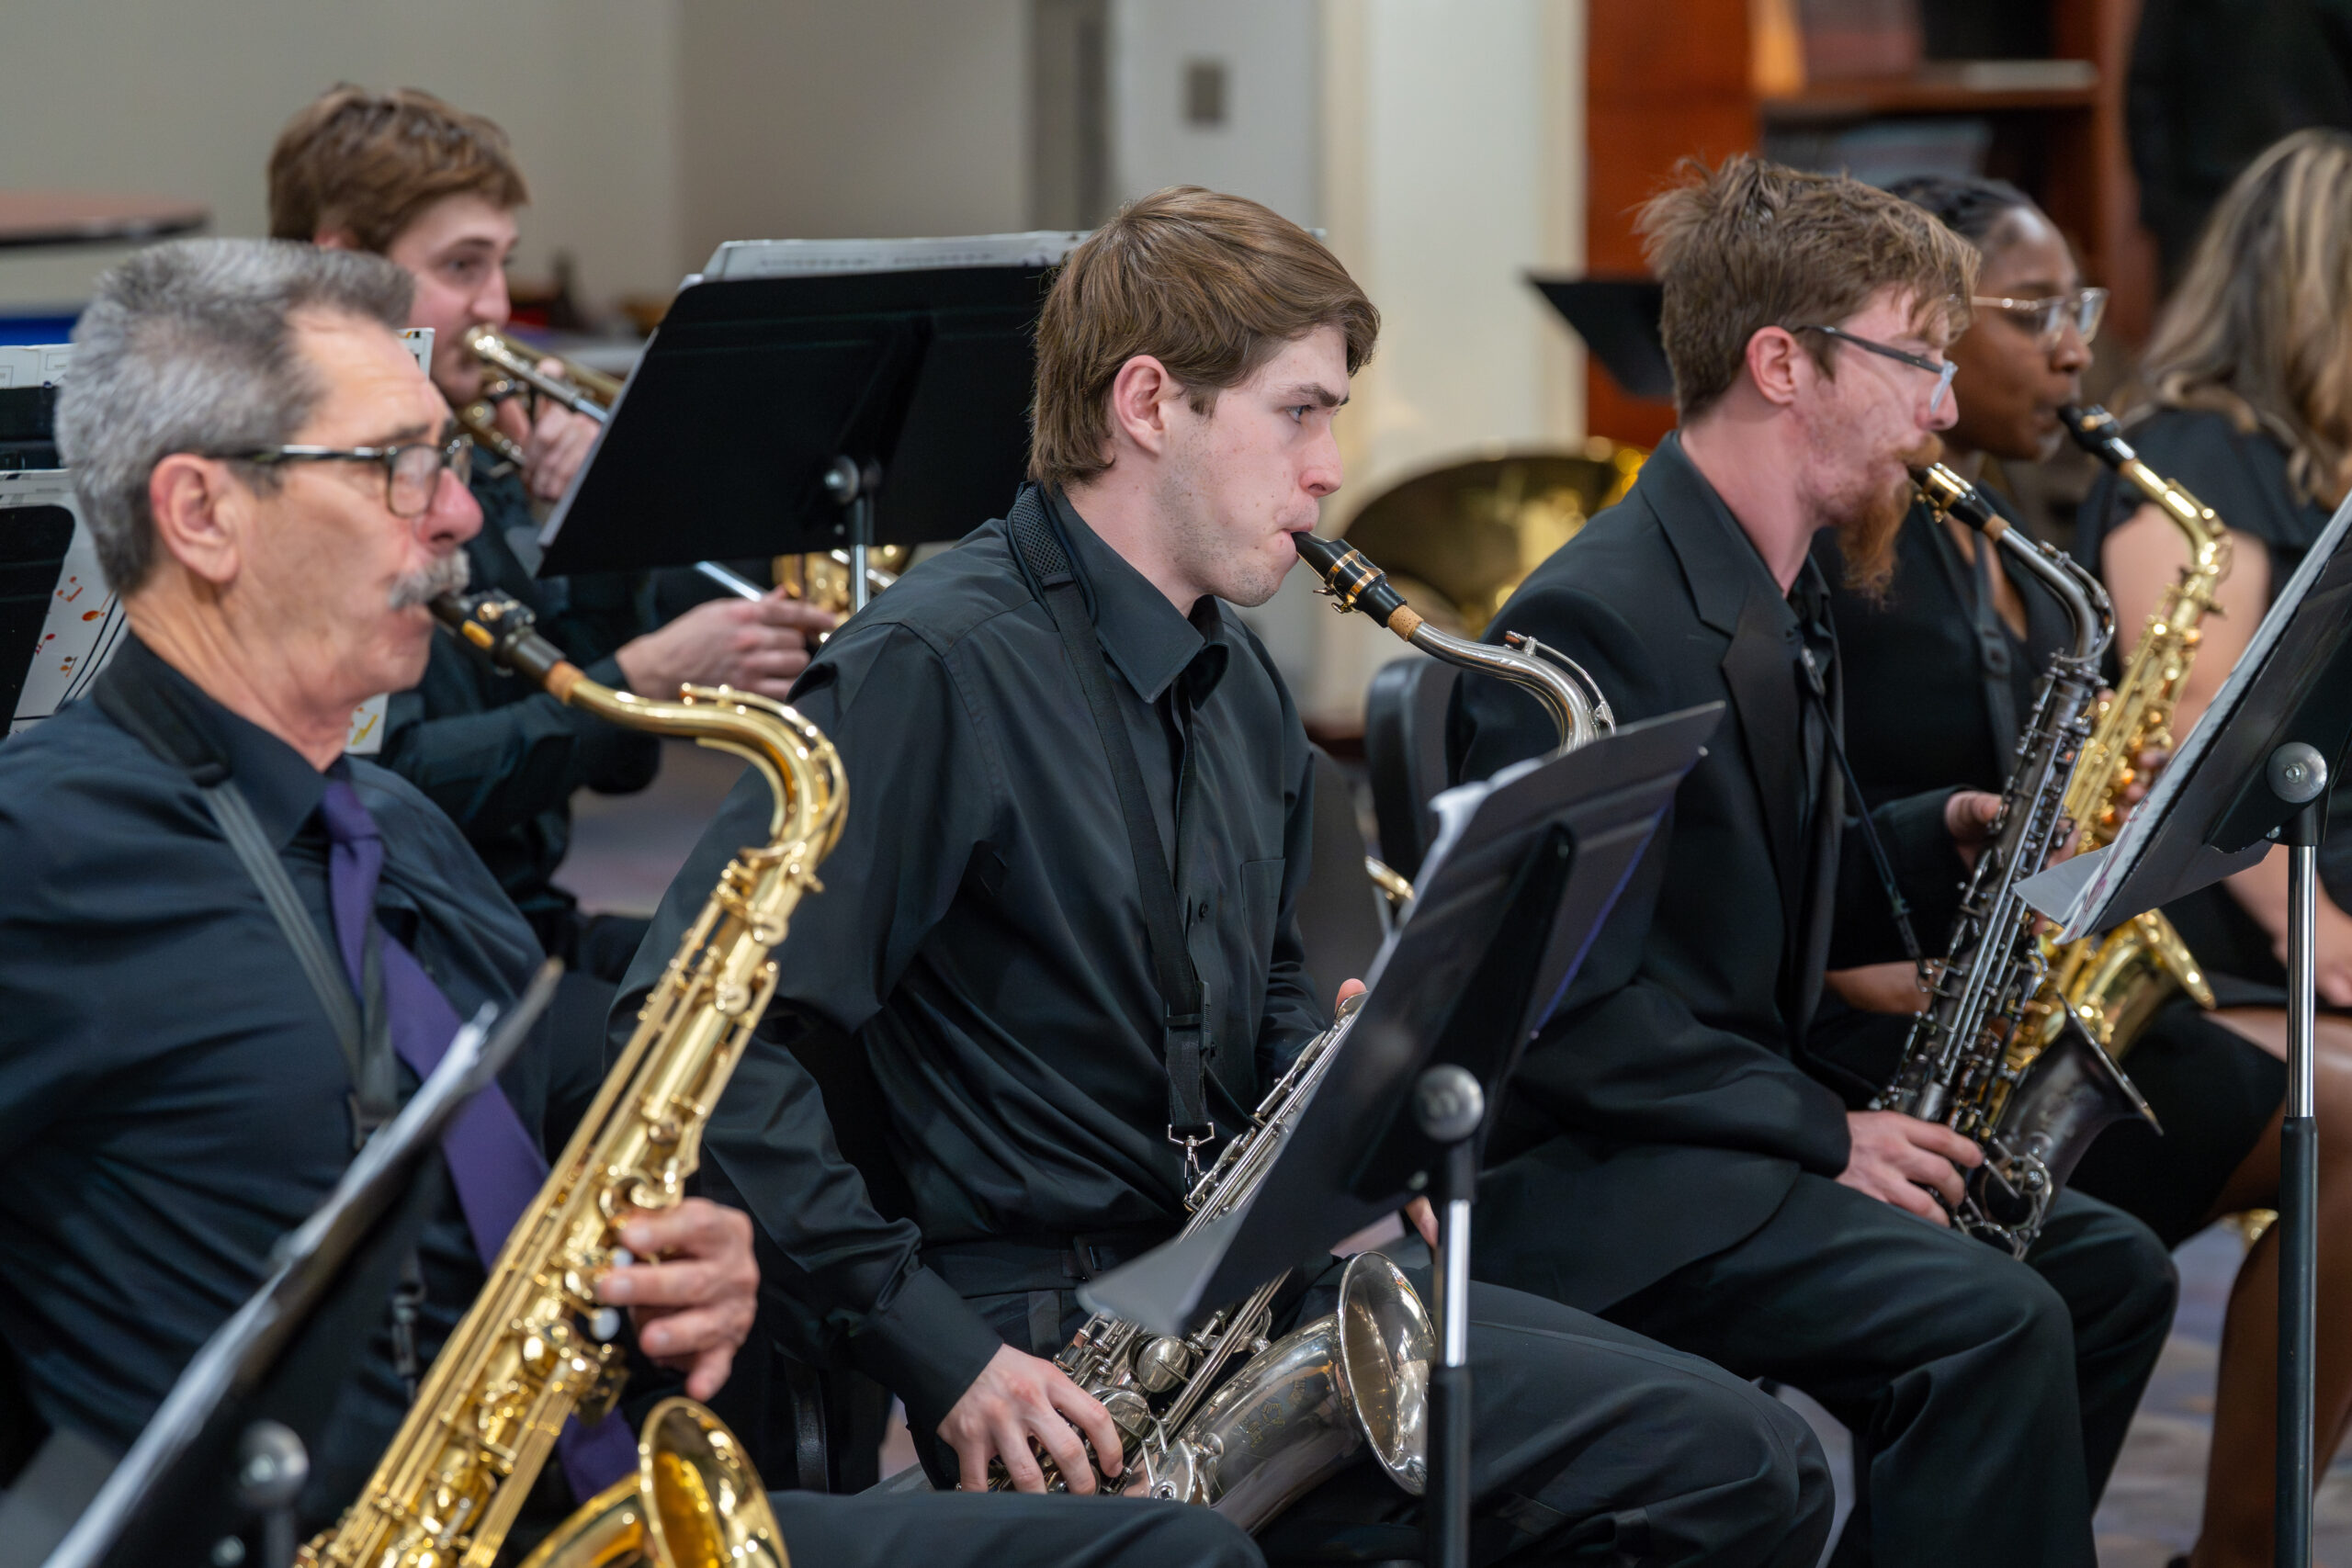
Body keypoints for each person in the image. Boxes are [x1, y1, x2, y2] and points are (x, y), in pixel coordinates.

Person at [618, 186, 1836, 1566]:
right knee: (1707, 1468)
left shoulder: (1229, 665)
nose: (1331, 469)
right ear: (1150, 402)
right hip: (1055, 1337)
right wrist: (937, 1347)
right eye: (1299, 412)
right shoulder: (933, 668)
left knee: (1755, 1454)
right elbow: (700, 1032)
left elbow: (1255, 973)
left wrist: (1351, 1089)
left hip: (1235, 1277)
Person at [0, 237, 1256, 1568]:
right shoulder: (46, 845)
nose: (462, 517)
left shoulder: (402, 834)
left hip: (566, 1512)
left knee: (1171, 1551)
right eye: (395, 468)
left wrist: (693, 1260)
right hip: (308, 1533)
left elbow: (564, 1150)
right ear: (202, 512)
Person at [1448, 156, 2178, 1568]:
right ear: (1781, 363)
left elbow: (1739, 878)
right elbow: (1565, 1011)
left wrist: (1935, 828)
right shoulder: (1596, 621)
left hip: (1714, 1130)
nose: (1948, 409)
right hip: (1607, 1180)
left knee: (2107, 1274)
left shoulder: (1766, 577)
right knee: (1998, 1315)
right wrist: (1827, 1132)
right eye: (1918, 360)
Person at [266, 84, 832, 989]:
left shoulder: (482, 450)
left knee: (809, 998)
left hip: (518, 923)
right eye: (462, 267)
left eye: (503, 265)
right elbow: (395, 786)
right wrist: (633, 681)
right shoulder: (300, 483)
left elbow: (620, 771)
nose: (497, 304)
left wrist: (598, 542)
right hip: (399, 954)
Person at [2070, 130, 2352, 1567]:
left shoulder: (2318, 449)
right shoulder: (2196, 456)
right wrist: (2338, 951)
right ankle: (2243, 1548)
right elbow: (2195, 743)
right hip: (2226, 933)